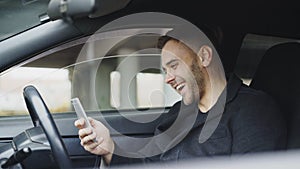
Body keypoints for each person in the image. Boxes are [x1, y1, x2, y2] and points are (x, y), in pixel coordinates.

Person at [75, 32, 287, 167]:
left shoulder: (253, 110)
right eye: (165, 70)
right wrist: (109, 148)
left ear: (204, 57)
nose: (167, 79)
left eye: (174, 66)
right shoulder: (179, 113)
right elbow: (151, 163)